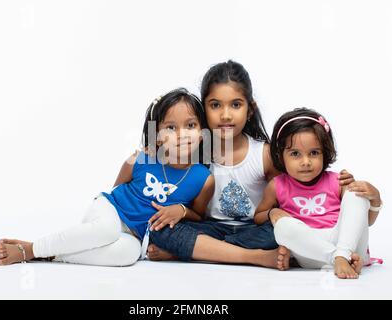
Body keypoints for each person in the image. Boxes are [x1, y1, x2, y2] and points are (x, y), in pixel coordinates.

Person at [148, 61, 354, 271]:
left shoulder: (263, 153)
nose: (226, 115)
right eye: (215, 105)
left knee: (281, 233)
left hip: (255, 230)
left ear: (250, 110)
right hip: (211, 227)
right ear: (203, 109)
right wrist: (179, 210)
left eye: (236, 105)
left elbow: (292, 188)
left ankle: (199, 252)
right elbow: (173, 181)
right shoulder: (194, 151)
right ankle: (254, 257)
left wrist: (338, 182)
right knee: (161, 231)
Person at [0, 88, 214, 267]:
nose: (182, 134)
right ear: (157, 137)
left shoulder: (203, 179)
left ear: (202, 132)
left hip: (136, 234)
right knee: (106, 230)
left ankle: (52, 255)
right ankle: (33, 248)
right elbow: (116, 189)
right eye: (171, 127)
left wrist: (182, 211)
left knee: (129, 255)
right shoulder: (140, 159)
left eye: (191, 125)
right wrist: (111, 217)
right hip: (109, 210)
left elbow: (199, 217)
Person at [254, 107, 382, 279]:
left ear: (325, 152)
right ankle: (339, 259)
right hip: (312, 251)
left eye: (314, 153)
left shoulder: (338, 181)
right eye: (295, 154)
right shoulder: (276, 186)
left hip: (348, 244)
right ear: (280, 155)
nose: (305, 162)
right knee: (283, 226)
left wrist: (375, 199)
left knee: (355, 192)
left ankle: (342, 256)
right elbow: (258, 217)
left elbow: (362, 222)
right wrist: (272, 212)